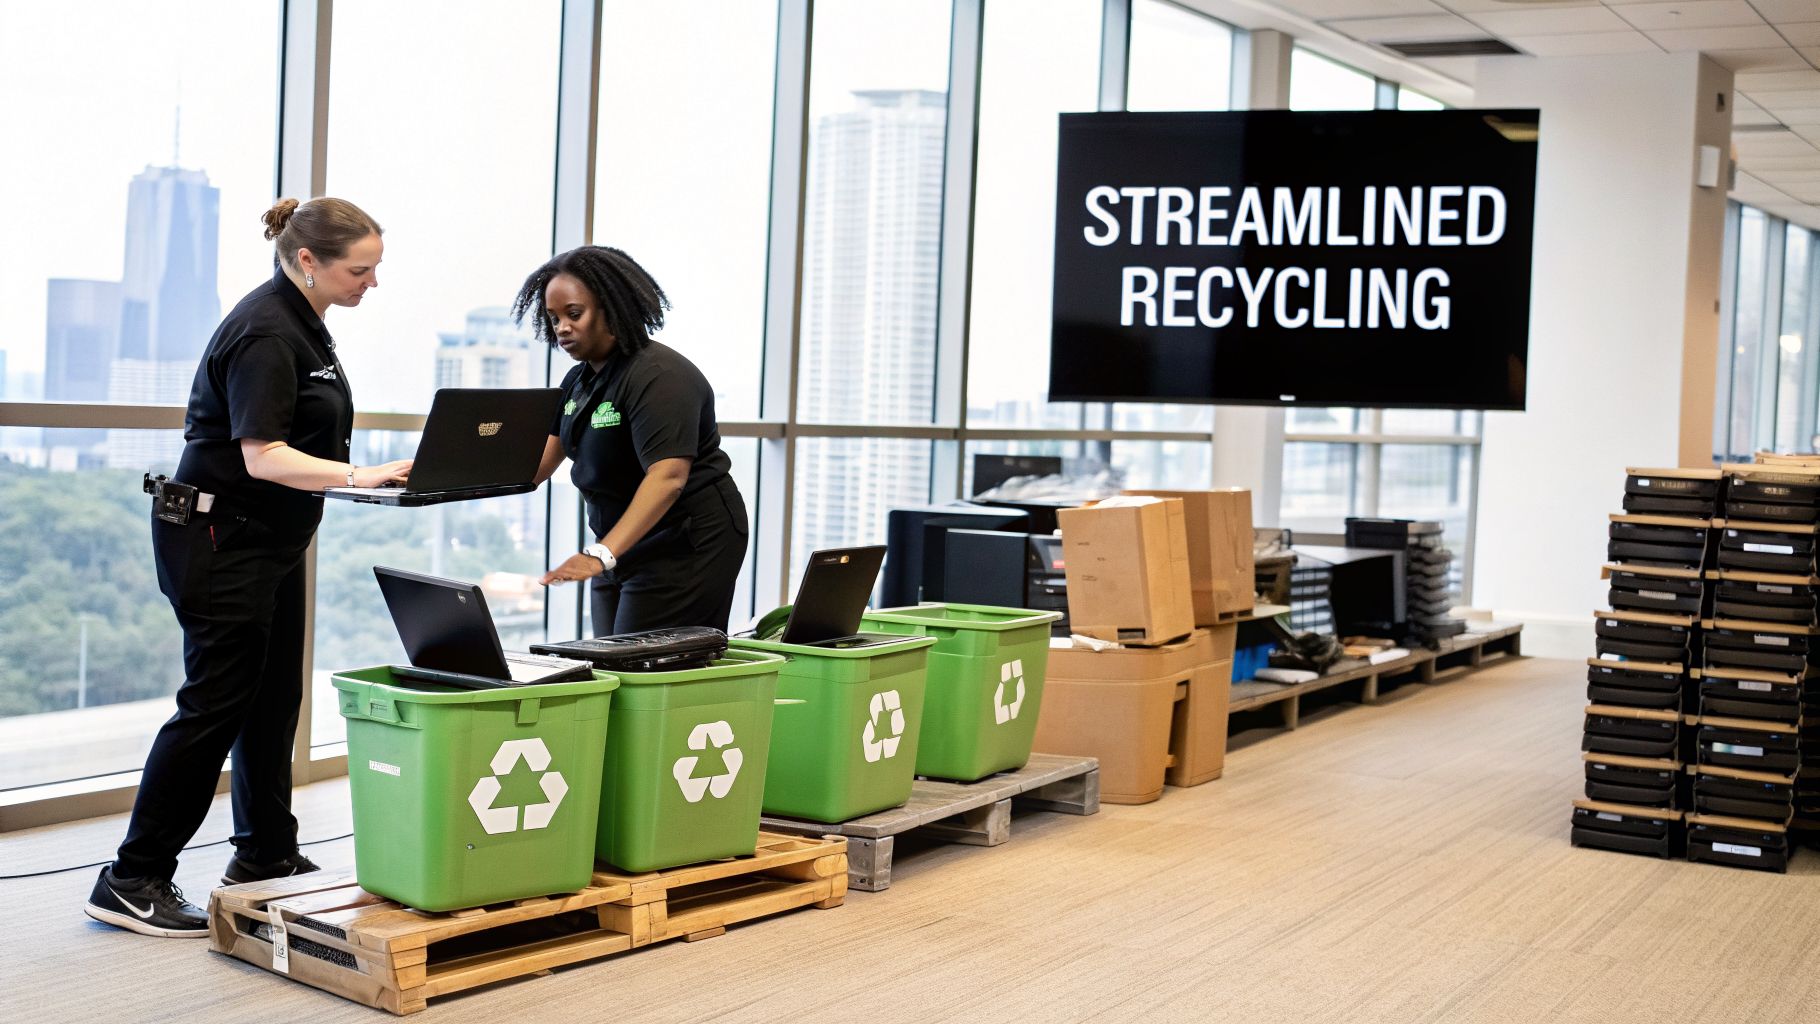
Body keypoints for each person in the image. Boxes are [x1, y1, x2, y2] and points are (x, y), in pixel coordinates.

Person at [84, 198, 412, 938]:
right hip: (219, 541)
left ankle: (265, 853)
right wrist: (361, 476)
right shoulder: (267, 330)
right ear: (308, 261)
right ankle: (133, 877)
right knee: (216, 706)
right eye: (360, 270)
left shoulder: (305, 323)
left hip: (269, 539)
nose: (371, 283)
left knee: (271, 701)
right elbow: (262, 456)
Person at [515, 246, 748, 635]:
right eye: (554, 318)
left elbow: (668, 478)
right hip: (619, 547)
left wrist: (600, 555)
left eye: (574, 314)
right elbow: (538, 467)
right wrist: (440, 477)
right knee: (610, 662)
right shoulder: (579, 382)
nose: (562, 328)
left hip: (687, 543)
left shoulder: (660, 377)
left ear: (613, 307)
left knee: (644, 670)